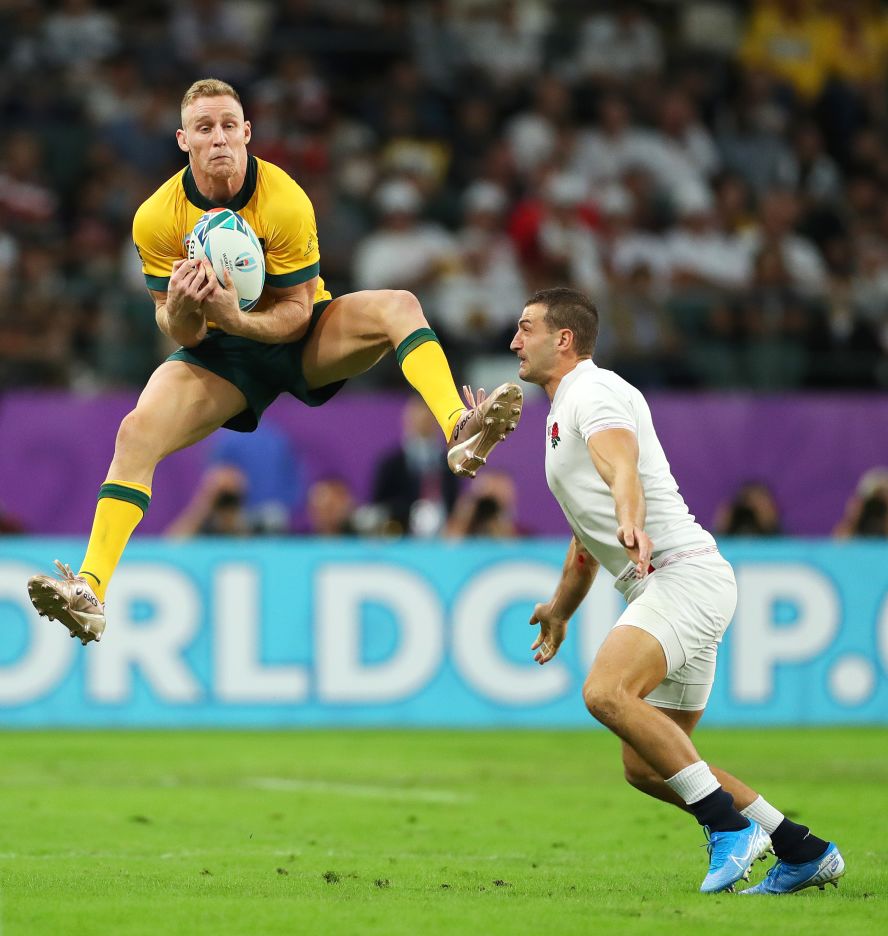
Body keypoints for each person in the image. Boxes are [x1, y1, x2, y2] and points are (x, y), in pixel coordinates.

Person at [26, 77, 523, 645]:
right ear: (183, 139)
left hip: (300, 337)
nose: (219, 139)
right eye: (205, 128)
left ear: (247, 133)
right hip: (221, 359)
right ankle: (90, 590)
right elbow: (174, 324)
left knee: (399, 306)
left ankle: (459, 426)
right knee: (135, 431)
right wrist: (187, 309)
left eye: (229, 127)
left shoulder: (283, 199)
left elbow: (295, 311)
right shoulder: (155, 218)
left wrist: (233, 317)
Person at [508, 286, 843, 895]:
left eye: (525, 328)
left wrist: (632, 517)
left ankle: (729, 830)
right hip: (678, 583)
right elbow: (587, 538)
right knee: (649, 764)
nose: (513, 342)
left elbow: (622, 467)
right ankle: (801, 847)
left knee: (606, 692)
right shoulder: (563, 411)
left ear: (564, 339)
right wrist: (559, 610)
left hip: (679, 576)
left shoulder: (594, 390)